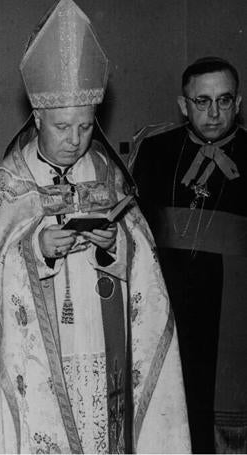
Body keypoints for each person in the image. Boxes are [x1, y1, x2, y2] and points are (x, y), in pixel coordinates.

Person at [0, 0, 191, 453]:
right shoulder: (6, 187)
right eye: (61, 127)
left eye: (86, 126)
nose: (75, 140)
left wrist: (112, 247)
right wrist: (38, 252)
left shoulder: (108, 176)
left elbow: (145, 270)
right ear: (37, 119)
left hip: (99, 339)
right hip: (33, 355)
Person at [131, 56, 246, 453]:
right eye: (202, 101)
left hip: (235, 309)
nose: (214, 112)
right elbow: (136, 229)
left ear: (239, 102)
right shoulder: (155, 151)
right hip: (168, 300)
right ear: (183, 105)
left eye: (224, 100)